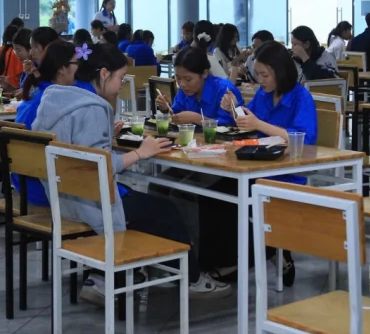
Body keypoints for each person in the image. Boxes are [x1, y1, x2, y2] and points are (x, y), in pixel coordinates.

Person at [31, 43, 231, 300]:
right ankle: (191, 279)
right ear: (104, 74)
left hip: (63, 199)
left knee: (150, 200)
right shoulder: (92, 108)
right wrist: (140, 153)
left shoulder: (56, 99)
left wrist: (106, 137)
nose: (121, 85)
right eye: (121, 78)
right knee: (166, 210)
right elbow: (98, 167)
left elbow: (82, 154)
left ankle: (114, 276)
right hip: (90, 203)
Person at [221, 40, 317, 286]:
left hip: (287, 173)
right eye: (257, 74)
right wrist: (234, 110)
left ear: (281, 72)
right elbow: (249, 122)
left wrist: (258, 124)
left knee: (231, 196)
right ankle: (245, 254)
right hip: (257, 166)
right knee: (219, 192)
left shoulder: (301, 97)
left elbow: (303, 139)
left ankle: (257, 253)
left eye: (265, 75)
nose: (260, 80)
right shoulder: (264, 96)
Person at [15, 41, 85, 207]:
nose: (78, 68)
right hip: (46, 187)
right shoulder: (53, 102)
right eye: (76, 63)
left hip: (25, 183)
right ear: (61, 69)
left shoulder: (39, 95)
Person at [155, 46, 244, 125]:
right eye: (178, 78)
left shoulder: (224, 89)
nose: (182, 84)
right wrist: (166, 108)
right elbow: (177, 114)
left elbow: (232, 124)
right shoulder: (184, 90)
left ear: (204, 73)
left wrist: (196, 119)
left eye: (188, 79)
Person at [20, 27, 60, 97]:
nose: (31, 52)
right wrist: (30, 75)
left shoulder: (61, 70)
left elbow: (52, 94)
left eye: (35, 47)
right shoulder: (37, 67)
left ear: (48, 47)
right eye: (31, 47)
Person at [0, 25, 28, 92]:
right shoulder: (15, 54)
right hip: (10, 93)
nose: (17, 53)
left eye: (19, 50)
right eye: (16, 50)